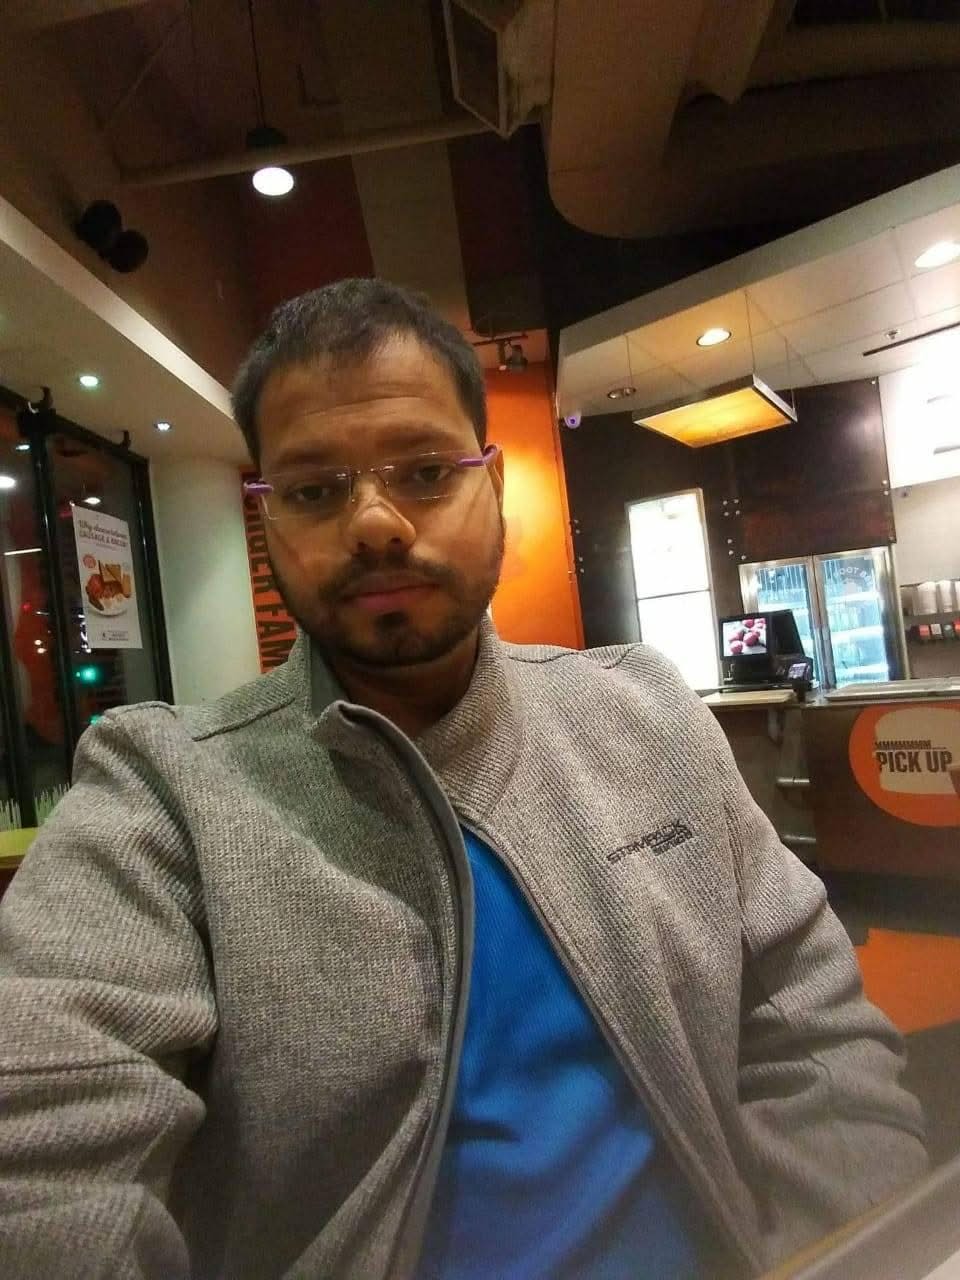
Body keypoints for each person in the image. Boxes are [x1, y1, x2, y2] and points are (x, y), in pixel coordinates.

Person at [0, 279, 925, 1280]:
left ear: (494, 483)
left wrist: (832, 1256)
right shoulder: (164, 792)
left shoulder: (647, 715)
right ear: (267, 520)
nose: (376, 523)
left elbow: (811, 1026)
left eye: (426, 471)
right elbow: (44, 1152)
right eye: (314, 489)